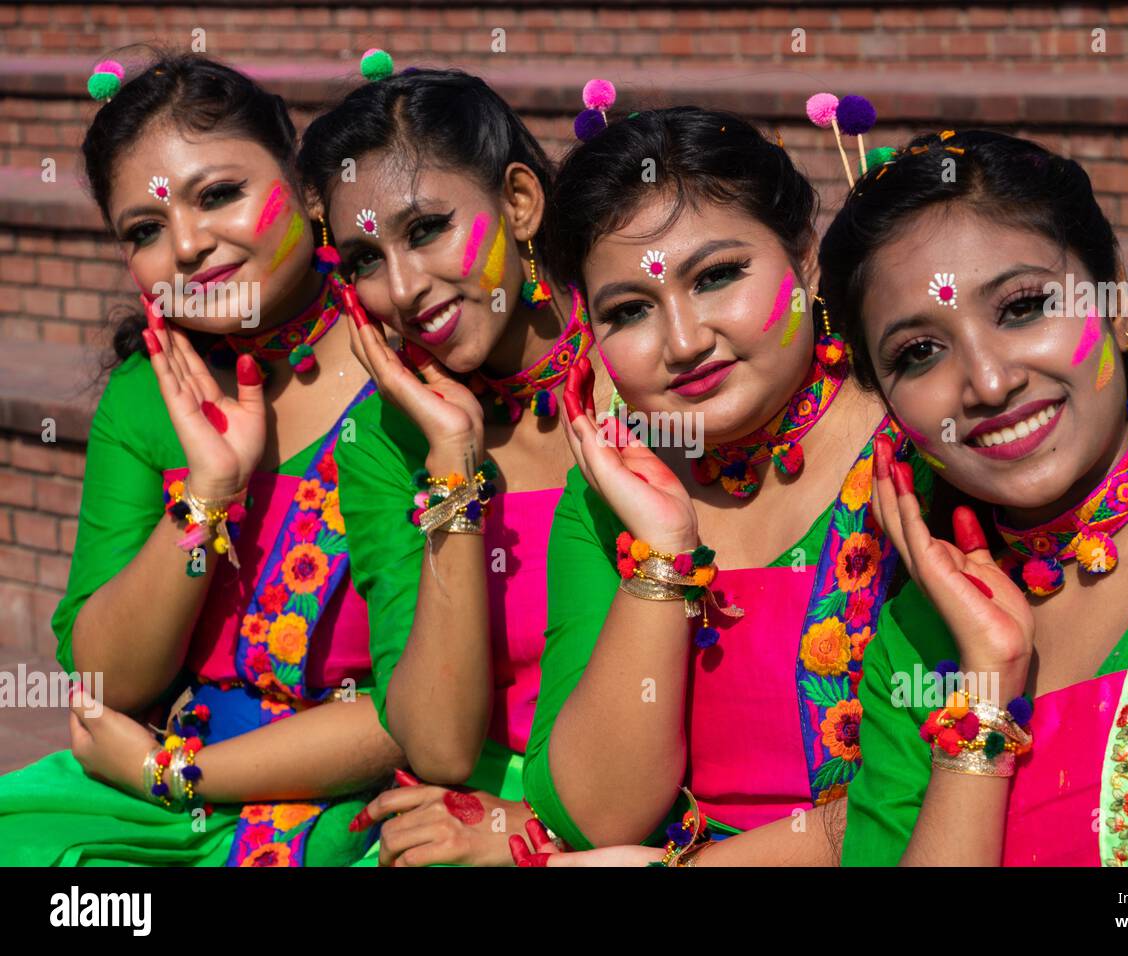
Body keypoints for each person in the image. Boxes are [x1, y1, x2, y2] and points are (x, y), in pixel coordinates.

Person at [824, 130, 1128, 866]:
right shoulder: (916, 641)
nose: (988, 383)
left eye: (1022, 307)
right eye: (919, 353)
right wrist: (984, 692)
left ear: (1115, 302)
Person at [0, 54, 402, 867]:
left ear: (310, 190)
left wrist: (172, 773)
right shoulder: (150, 398)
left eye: (219, 194)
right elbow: (109, 683)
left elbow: (425, 707)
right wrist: (207, 498)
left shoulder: (419, 373)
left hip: (371, 803)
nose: (186, 247)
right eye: (144, 231)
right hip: (174, 800)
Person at [519, 106, 910, 866]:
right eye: (630, 310)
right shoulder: (616, 493)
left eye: (717, 277)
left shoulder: (919, 455)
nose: (685, 341)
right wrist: (663, 559)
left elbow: (934, 790)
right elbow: (600, 816)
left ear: (805, 260)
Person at [298, 57, 611, 866]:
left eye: (426, 228)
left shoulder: (652, 373)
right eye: (364, 259)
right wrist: (452, 465)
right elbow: (437, 744)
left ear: (519, 201)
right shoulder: (384, 442)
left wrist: (539, 832)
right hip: (455, 822)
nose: (402, 288)